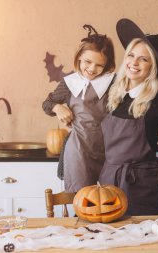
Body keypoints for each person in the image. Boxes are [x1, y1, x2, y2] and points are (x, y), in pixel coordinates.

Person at [98, 18, 158, 215]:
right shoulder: (114, 91)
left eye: (143, 58)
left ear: (152, 66)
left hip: (141, 185)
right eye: (131, 55)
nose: (134, 63)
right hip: (108, 181)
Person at [42, 24, 116, 193]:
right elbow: (47, 104)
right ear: (79, 57)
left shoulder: (113, 83)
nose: (91, 69)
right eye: (88, 62)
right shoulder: (70, 83)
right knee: (81, 200)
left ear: (107, 65)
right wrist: (58, 108)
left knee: (110, 200)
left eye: (99, 65)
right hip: (79, 151)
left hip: (110, 150)